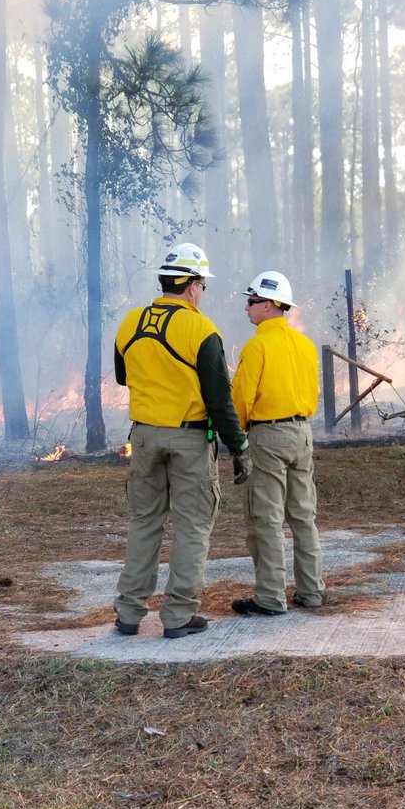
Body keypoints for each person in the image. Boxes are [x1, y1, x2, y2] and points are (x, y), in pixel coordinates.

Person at [113, 243, 252, 639]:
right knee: (192, 525)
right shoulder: (202, 330)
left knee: (144, 522)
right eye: (203, 285)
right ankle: (177, 615)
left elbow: (124, 376)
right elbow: (220, 400)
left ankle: (128, 612)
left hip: (143, 437)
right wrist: (239, 447)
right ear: (192, 286)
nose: (202, 292)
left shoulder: (130, 322)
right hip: (189, 439)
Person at [230, 270, 325, 616]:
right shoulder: (304, 344)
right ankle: (311, 592)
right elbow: (311, 393)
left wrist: (236, 434)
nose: (247, 308)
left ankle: (270, 597)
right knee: (303, 515)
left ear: (269, 305)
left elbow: (241, 396)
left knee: (266, 517)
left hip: (268, 435)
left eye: (252, 301)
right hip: (302, 433)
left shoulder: (257, 346)